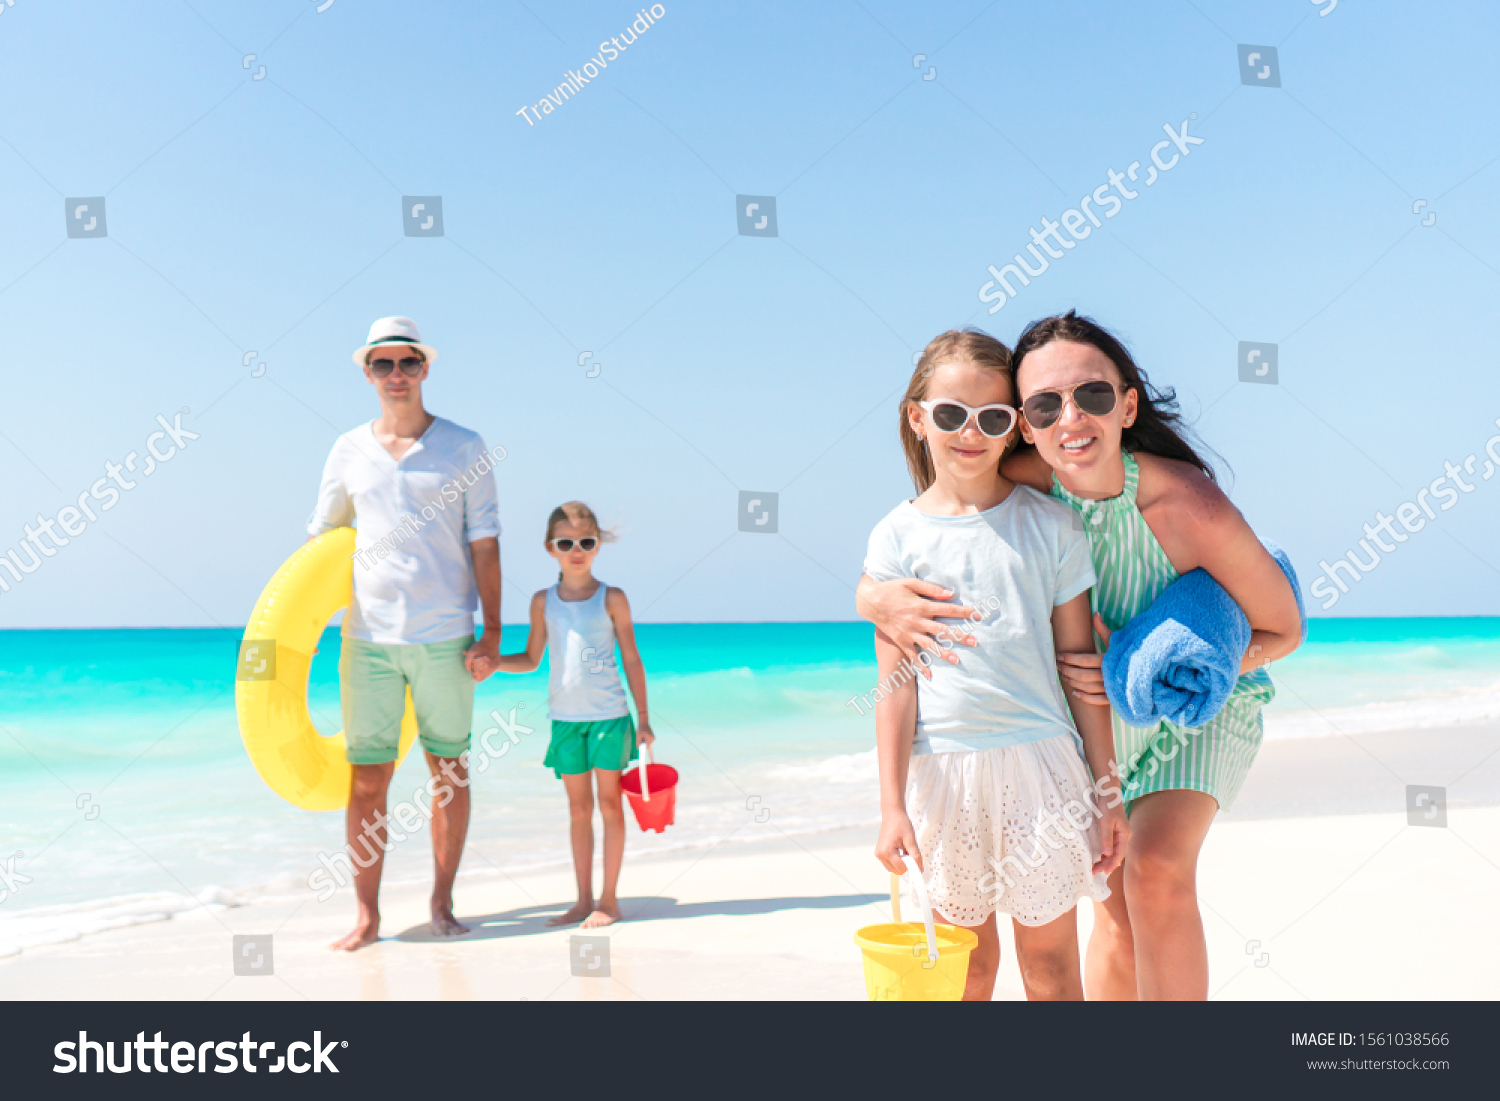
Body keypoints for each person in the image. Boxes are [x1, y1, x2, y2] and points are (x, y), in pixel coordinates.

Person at [859, 311, 1302, 1000]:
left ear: (1126, 404)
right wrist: (874, 599)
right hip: (1096, 722)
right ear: (1026, 424)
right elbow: (935, 538)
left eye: (1092, 395)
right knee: (1115, 911)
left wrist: (1147, 670)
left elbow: (1284, 628)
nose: (1071, 417)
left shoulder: (1186, 502)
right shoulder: (1028, 487)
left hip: (1197, 709)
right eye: (1043, 404)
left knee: (1153, 869)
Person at [867, 329, 1129, 1001]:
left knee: (1048, 971)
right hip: (943, 774)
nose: (969, 433)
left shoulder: (1052, 526)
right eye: (951, 414)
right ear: (917, 416)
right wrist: (891, 805)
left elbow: (1081, 671)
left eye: (991, 417)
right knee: (964, 973)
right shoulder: (896, 537)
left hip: (1042, 769)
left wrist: (1108, 790)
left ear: (1014, 427)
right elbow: (894, 688)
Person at [308, 316, 503, 951]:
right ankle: (367, 915)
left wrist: (492, 630)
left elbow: (485, 544)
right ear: (367, 372)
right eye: (383, 364)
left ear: (425, 369)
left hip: (447, 636)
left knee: (449, 770)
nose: (397, 375)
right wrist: (303, 635)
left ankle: (442, 903)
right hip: (366, 641)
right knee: (367, 779)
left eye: (408, 363)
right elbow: (323, 545)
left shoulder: (465, 447)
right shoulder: (346, 449)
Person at [496, 501, 654, 929]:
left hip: (609, 716)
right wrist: (492, 662)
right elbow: (531, 659)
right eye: (566, 542)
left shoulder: (612, 598)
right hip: (565, 720)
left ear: (598, 545)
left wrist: (643, 717)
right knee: (578, 810)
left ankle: (609, 899)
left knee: (609, 804)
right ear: (551, 548)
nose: (576, 549)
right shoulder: (542, 601)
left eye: (586, 541)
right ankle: (582, 900)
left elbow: (633, 660)